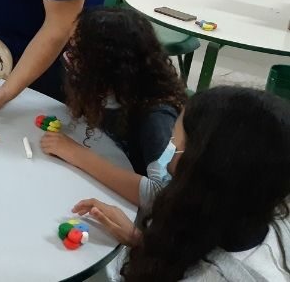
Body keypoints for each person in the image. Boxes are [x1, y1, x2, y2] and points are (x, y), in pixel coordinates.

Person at [73, 86, 290, 281]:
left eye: (176, 145)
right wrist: (140, 241)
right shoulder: (252, 214)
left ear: (202, 174)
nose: (167, 156)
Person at [40, 8, 187, 207]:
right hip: (100, 184)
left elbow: (162, 195)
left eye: (77, 51)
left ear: (107, 65)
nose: (68, 56)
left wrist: (77, 154)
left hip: (134, 214)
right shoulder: (104, 89)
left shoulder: (157, 116)